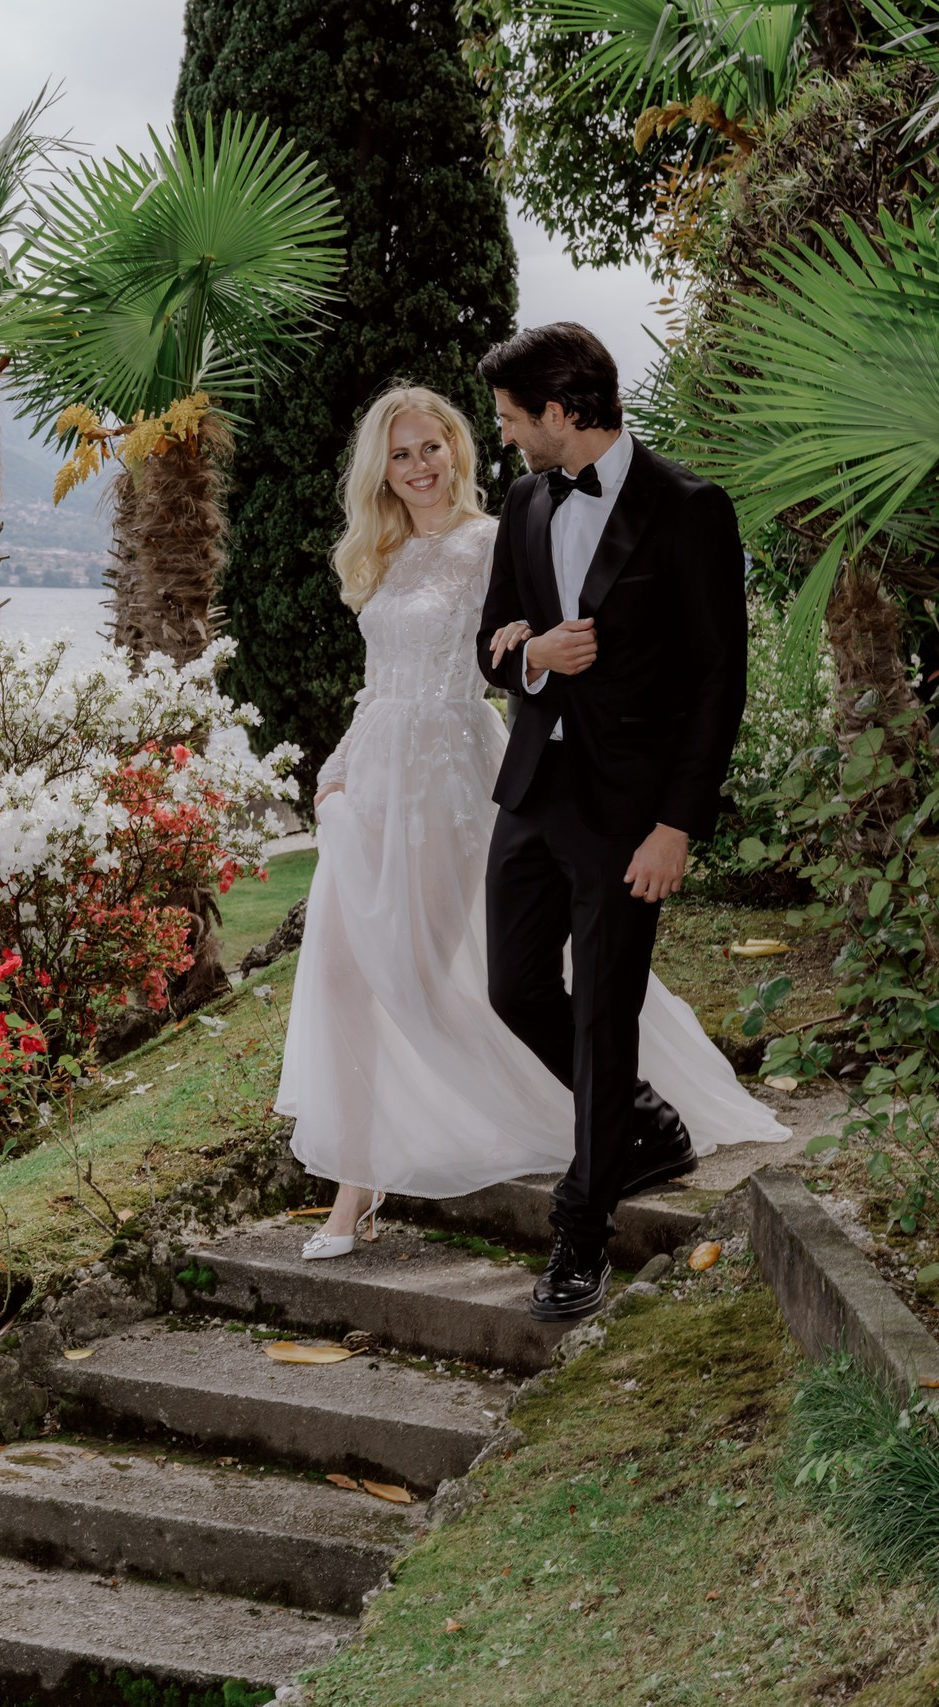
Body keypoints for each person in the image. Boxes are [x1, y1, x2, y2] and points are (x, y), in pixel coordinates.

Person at [275, 379, 783, 1286]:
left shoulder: (494, 535)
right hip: (372, 781)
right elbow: (379, 680)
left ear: (460, 451)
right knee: (347, 976)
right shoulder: (377, 552)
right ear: (379, 471)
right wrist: (337, 766)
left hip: (458, 778)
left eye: (434, 446)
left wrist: (532, 651)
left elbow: (525, 638)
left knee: (445, 972)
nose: (420, 465)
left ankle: (611, 1107)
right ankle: (357, 1182)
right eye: (401, 453)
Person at [474, 322, 753, 1322]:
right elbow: (494, 648)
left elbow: (719, 683)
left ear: (559, 412)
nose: (503, 436)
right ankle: (640, 1123)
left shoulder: (688, 510)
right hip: (532, 794)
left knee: (602, 1010)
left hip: (629, 815)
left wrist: (676, 825)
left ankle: (581, 1233)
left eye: (511, 419)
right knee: (512, 987)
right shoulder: (523, 500)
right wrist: (533, 654)